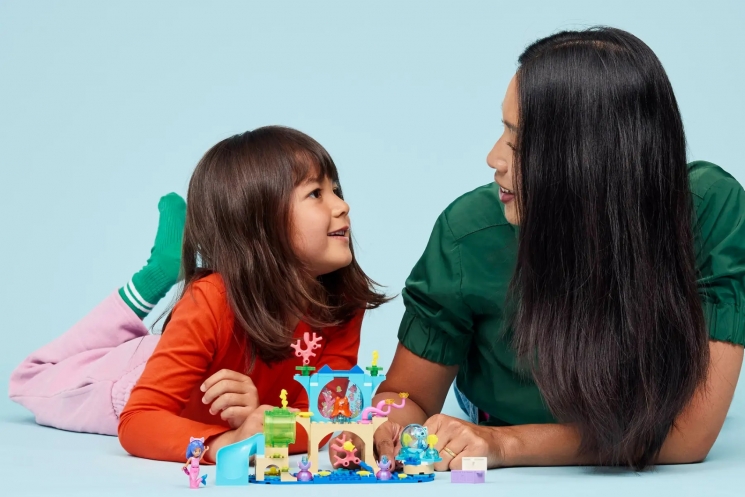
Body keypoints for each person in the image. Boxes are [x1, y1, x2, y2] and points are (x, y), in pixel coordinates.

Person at [372, 27, 745, 471]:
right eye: (503, 130)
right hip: (496, 413)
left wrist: (505, 445)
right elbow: (407, 397)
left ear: (589, 156)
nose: (494, 158)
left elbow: (687, 437)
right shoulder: (467, 232)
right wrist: (391, 427)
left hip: (512, 431)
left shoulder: (710, 208)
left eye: (518, 141)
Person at [9, 126, 388, 463]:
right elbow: (138, 421)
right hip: (122, 385)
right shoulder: (210, 298)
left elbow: (321, 417)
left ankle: (163, 272)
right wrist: (226, 443)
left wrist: (263, 420)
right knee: (30, 377)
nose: (342, 205)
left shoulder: (341, 303)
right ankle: (157, 275)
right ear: (258, 221)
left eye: (336, 190)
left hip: (178, 352)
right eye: (316, 193)